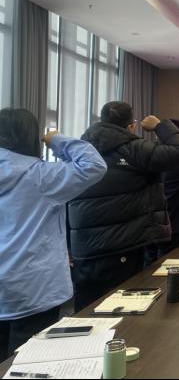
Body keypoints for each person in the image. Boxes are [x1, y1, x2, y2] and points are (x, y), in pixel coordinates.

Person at [0, 109, 107, 361]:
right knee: (28, 362)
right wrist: (57, 139)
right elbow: (93, 165)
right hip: (34, 286)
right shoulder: (41, 176)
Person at [67, 101, 179, 311]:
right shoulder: (133, 148)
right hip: (122, 244)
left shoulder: (79, 150)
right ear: (131, 126)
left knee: (87, 311)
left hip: (84, 248)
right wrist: (160, 125)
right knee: (122, 310)